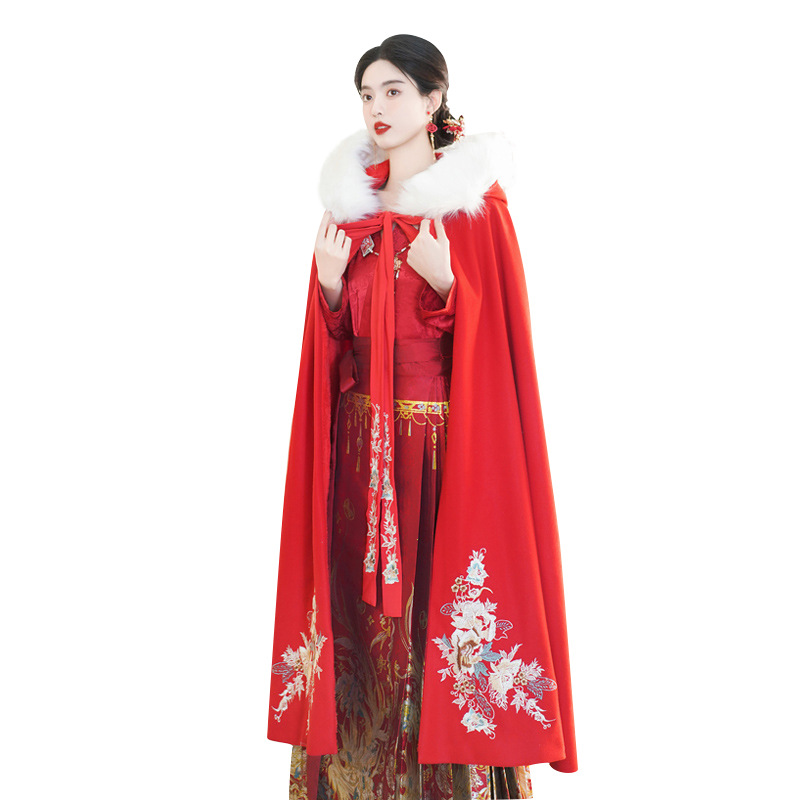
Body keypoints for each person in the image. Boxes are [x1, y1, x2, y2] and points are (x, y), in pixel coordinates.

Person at [268, 34, 578, 799]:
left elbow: (499, 341)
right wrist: (330, 289)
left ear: (433, 98)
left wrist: (448, 288)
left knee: (433, 613)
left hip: (439, 450)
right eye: (366, 94)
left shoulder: (472, 207)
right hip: (358, 450)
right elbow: (335, 350)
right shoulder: (352, 214)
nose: (376, 108)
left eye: (393, 91)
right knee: (360, 618)